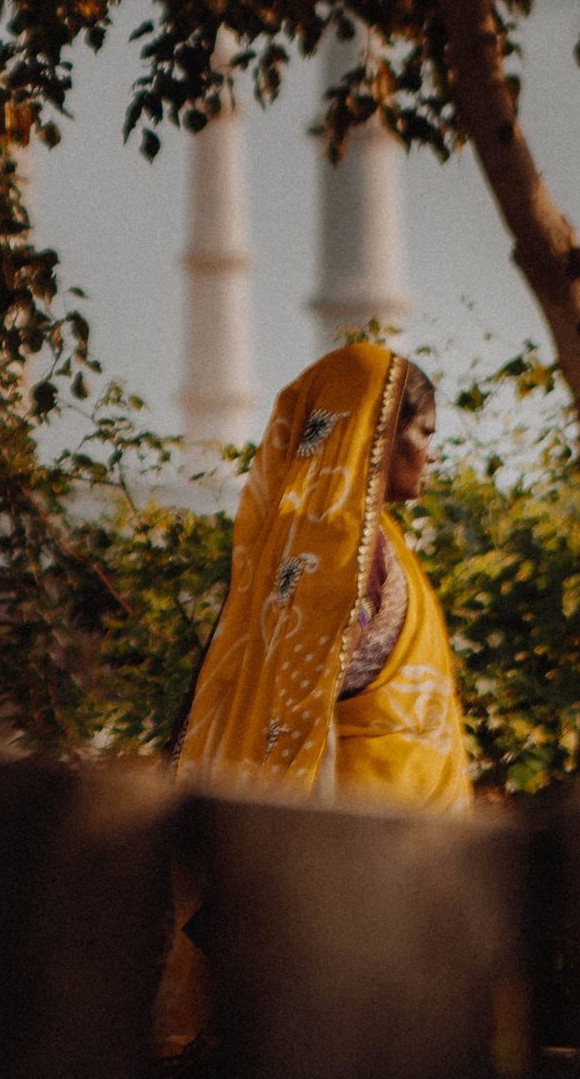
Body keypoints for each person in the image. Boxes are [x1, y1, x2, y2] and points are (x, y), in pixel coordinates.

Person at [174, 339, 470, 810]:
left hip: (392, 815)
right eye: (424, 433)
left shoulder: (365, 538)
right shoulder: (340, 546)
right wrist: (321, 836)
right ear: (378, 432)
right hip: (362, 821)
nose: (431, 454)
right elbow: (310, 712)